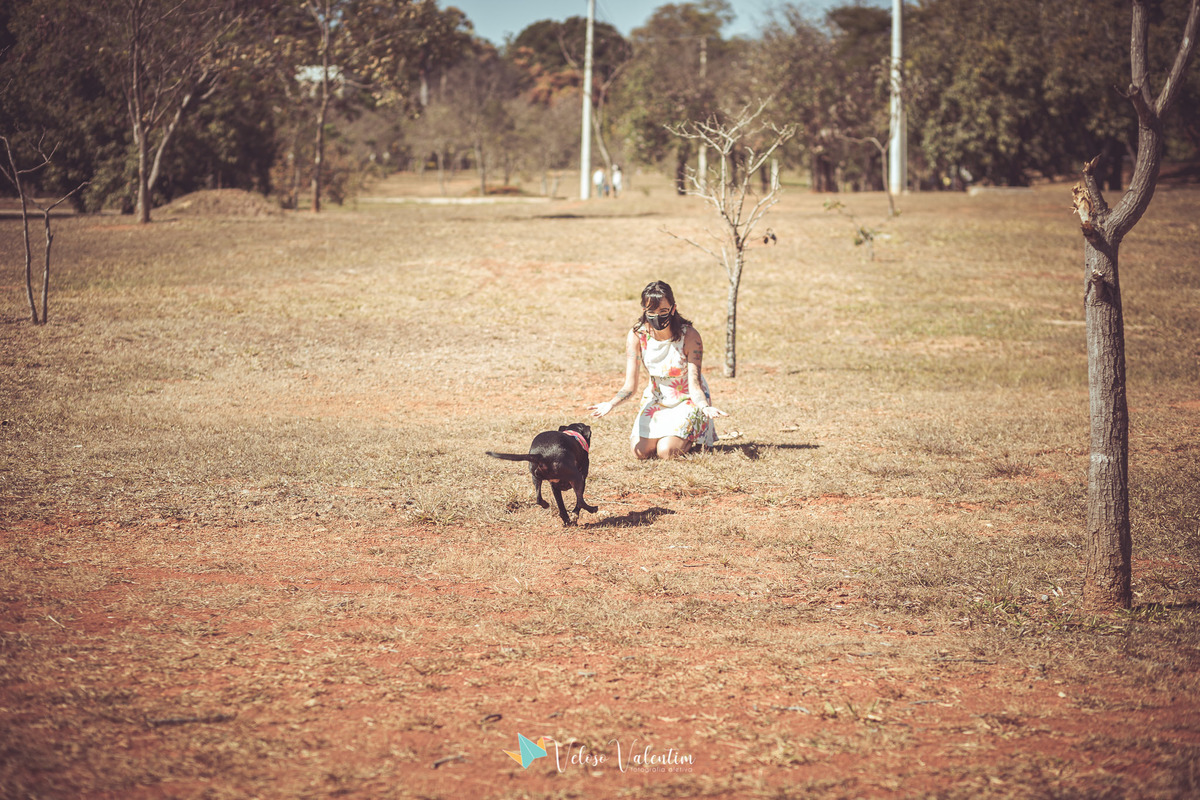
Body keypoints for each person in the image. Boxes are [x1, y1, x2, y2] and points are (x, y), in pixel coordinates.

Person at [589, 280, 726, 459]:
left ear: (673, 309)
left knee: (666, 451)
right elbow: (630, 385)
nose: (657, 317)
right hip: (657, 396)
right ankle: (673, 435)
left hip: (687, 397)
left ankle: (692, 438)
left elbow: (694, 383)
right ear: (644, 310)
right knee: (640, 452)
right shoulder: (637, 335)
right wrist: (611, 404)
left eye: (663, 311)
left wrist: (704, 406)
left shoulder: (689, 336)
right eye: (651, 312)